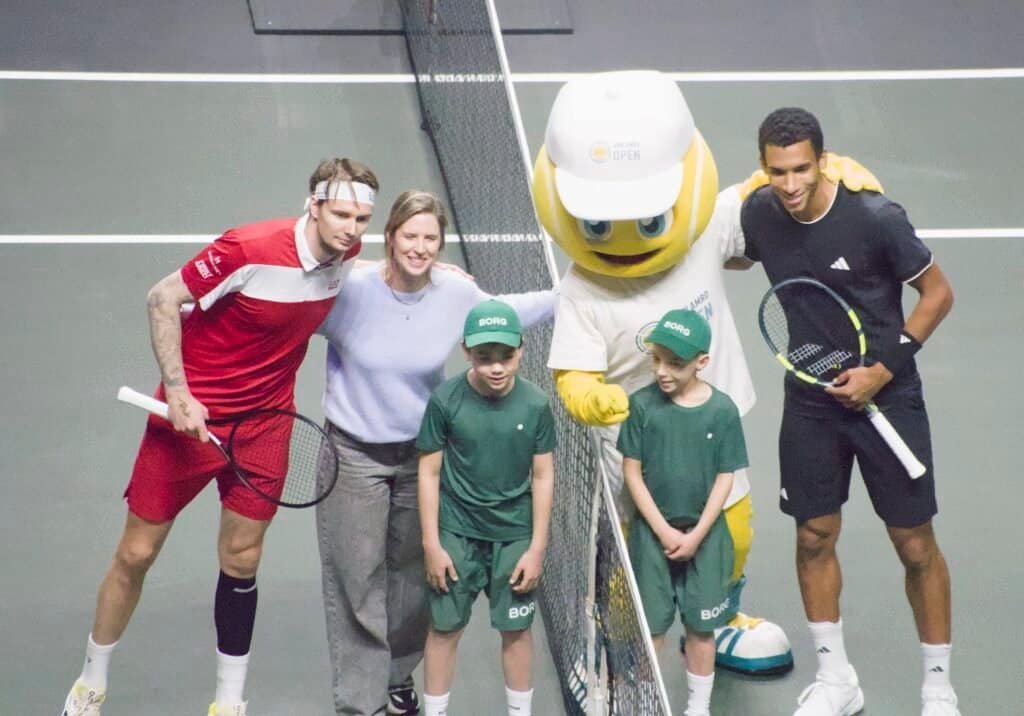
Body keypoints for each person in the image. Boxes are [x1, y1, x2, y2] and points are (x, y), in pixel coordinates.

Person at [61, 157, 379, 716]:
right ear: (313, 205)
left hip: (265, 427)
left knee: (242, 557)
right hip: (187, 422)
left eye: (361, 218)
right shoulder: (247, 249)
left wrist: (424, 268)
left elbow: (366, 269)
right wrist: (178, 393)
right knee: (136, 553)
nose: (351, 229)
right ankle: (92, 680)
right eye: (341, 214)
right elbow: (163, 298)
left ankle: (229, 701)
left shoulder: (347, 254)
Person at [738, 107, 958, 716]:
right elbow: (737, 255)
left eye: (801, 169)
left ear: (823, 160)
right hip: (810, 401)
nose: (790, 185)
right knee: (813, 535)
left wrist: (883, 369)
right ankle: (837, 680)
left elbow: (937, 294)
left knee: (914, 544)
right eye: (777, 171)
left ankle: (938, 688)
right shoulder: (759, 212)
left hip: (888, 394)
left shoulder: (874, 218)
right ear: (763, 167)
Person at [314, 191, 555, 716]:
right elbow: (285, 316)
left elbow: (505, 315)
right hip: (353, 452)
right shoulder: (349, 290)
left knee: (415, 580)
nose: (419, 248)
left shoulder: (455, 292)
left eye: (430, 238)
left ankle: (398, 677)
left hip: (422, 456)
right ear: (391, 236)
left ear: (440, 245)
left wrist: (572, 293)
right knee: (357, 579)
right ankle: (361, 704)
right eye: (410, 235)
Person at [415, 299, 555, 716]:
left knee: (516, 631)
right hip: (456, 534)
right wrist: (432, 545)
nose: (496, 367)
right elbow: (429, 473)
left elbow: (544, 477)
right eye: (484, 357)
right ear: (466, 352)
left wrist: (537, 548)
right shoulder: (445, 401)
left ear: (521, 350)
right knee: (445, 628)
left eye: (505, 356)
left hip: (514, 537)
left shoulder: (535, 405)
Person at [619, 308, 748, 716]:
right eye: (657, 360)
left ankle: (698, 707)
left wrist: (695, 536)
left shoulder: (723, 411)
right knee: (650, 630)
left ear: (701, 363)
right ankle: (641, 706)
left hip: (706, 539)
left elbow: (726, 478)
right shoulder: (640, 407)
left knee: (701, 629)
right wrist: (663, 531)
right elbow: (632, 474)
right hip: (651, 537)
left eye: (675, 363)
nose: (663, 371)